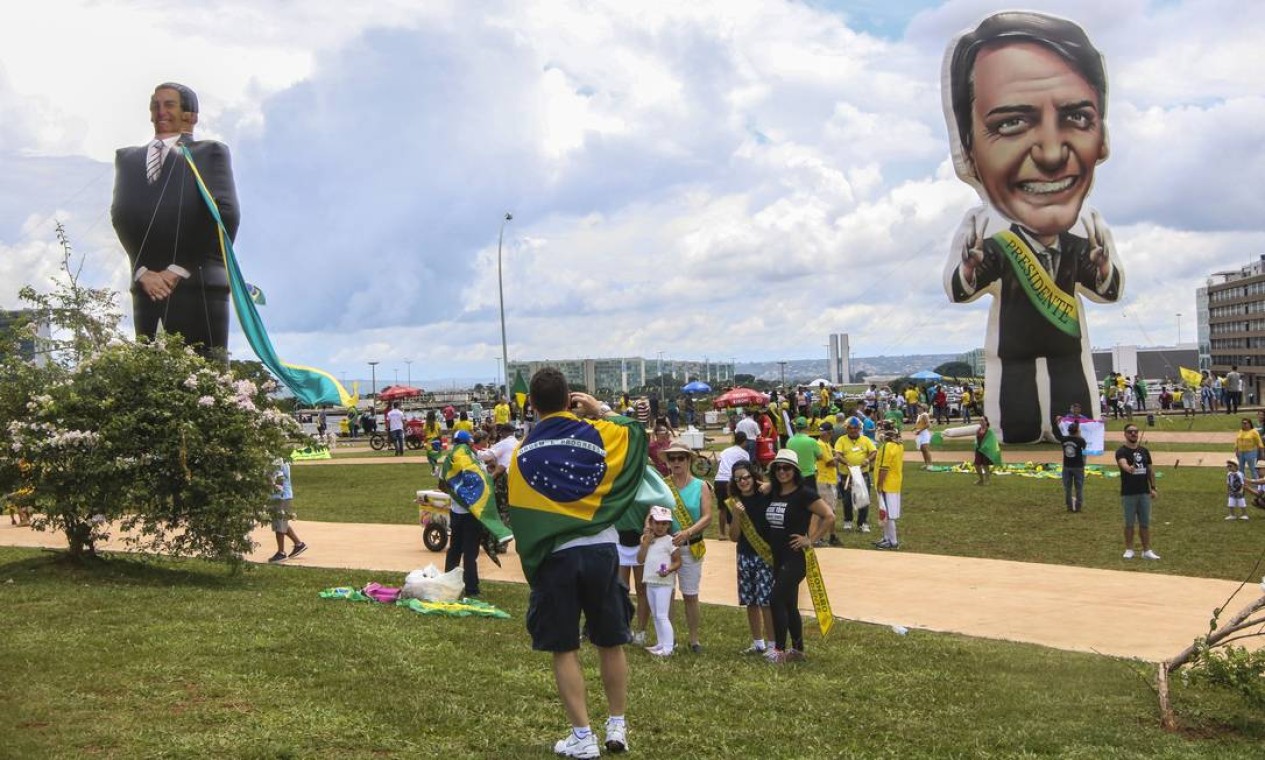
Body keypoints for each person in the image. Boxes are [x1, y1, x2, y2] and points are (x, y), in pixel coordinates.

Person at [943, 12, 1121, 444]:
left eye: (1077, 117)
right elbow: (962, 288)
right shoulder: (986, 228)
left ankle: (1074, 437)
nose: (1051, 154)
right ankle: (1018, 429)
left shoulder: (1087, 227)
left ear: (1102, 139)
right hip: (1013, 344)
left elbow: (1108, 289)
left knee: (1073, 400)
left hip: (1068, 344)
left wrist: (1101, 268)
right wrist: (968, 269)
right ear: (967, 149)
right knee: (1017, 419)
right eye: (1010, 123)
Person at [507, 370, 644, 757]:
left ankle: (582, 737)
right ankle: (617, 724)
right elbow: (636, 433)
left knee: (564, 647)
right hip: (602, 549)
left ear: (531, 405)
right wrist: (599, 411)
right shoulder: (601, 434)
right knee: (611, 640)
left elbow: (524, 515)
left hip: (556, 558)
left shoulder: (522, 452)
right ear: (571, 398)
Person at [111, 82, 239, 358]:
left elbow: (223, 216)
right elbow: (122, 216)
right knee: (149, 373)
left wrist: (176, 270)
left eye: (169, 105)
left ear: (190, 115)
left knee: (205, 372)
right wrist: (143, 272)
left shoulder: (209, 153)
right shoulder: (128, 158)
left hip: (198, 290)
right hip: (146, 291)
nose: (161, 112)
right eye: (155, 105)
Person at [764, 450, 834, 663]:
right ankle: (798, 650)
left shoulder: (804, 494)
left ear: (795, 471)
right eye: (778, 468)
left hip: (796, 558)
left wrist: (810, 539)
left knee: (775, 598)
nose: (782, 472)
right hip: (777, 556)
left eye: (787, 468)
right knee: (789, 604)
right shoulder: (773, 492)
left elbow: (829, 516)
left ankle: (778, 649)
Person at [661, 440, 713, 654]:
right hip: (666, 547)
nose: (676, 462)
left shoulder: (701, 485)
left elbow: (708, 516)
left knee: (690, 594)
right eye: (672, 458)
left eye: (680, 458)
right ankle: (668, 638)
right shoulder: (663, 485)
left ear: (689, 460)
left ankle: (694, 639)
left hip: (691, 547)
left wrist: (688, 532)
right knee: (667, 593)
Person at [725, 461, 775, 655]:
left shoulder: (766, 496)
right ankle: (757, 643)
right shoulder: (734, 503)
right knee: (750, 601)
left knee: (766, 601)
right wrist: (736, 516)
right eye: (738, 479)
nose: (743, 481)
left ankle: (772, 645)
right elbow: (733, 537)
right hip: (744, 555)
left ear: (753, 476)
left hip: (765, 555)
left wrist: (769, 484)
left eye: (746, 477)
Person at [637, 505, 681, 657]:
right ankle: (660, 643)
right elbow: (640, 559)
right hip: (650, 581)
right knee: (655, 614)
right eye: (657, 523)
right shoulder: (646, 540)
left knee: (662, 615)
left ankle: (668, 647)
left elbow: (677, 561)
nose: (660, 527)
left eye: (664, 524)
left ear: (669, 525)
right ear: (651, 523)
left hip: (664, 583)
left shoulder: (671, 541)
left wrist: (668, 569)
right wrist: (645, 543)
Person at [1116, 423, 1159, 560]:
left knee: (1144, 523)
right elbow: (1122, 463)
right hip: (1128, 492)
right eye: (1130, 432)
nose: (1133, 434)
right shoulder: (1121, 451)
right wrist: (1128, 468)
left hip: (1144, 492)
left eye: (1135, 431)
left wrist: (1153, 488)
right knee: (1129, 523)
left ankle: (1147, 550)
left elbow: (1150, 471)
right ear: (1125, 434)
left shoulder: (1144, 451)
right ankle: (1129, 549)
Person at [835, 417, 876, 533]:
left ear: (860, 429)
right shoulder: (841, 440)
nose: (853, 430)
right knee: (847, 499)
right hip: (846, 475)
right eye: (850, 428)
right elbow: (837, 454)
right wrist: (846, 462)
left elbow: (874, 452)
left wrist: (867, 460)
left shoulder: (865, 440)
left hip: (862, 474)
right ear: (846, 429)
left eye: (856, 428)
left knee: (863, 498)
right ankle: (848, 521)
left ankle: (862, 523)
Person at [266, 459, 307, 563]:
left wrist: (270, 487)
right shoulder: (279, 458)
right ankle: (298, 544)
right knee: (282, 522)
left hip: (280, 496)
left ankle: (281, 553)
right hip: (282, 495)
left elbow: (279, 479)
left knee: (279, 523)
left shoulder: (276, 459)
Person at [713, 431, 751, 540]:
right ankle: (736, 532)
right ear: (744, 442)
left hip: (719, 480)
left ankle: (722, 533)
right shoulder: (744, 454)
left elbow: (719, 464)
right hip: (732, 481)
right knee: (736, 507)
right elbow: (745, 470)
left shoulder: (725, 451)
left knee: (722, 508)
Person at [874, 422, 904, 549]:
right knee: (885, 513)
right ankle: (886, 538)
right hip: (894, 482)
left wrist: (880, 484)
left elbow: (884, 468)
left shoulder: (887, 447)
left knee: (888, 514)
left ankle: (893, 541)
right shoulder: (899, 445)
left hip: (887, 484)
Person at [1053, 416, 1087, 512]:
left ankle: (1069, 506)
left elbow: (1060, 431)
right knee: (1079, 488)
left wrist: (1058, 422)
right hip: (1078, 466)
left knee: (1067, 488)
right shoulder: (1081, 440)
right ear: (1077, 431)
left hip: (1067, 465)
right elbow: (1084, 450)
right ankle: (1078, 506)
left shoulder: (1063, 440)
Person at [974, 416, 1001, 485]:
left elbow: (992, 441)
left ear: (986, 422)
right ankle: (981, 479)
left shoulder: (989, 431)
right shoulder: (978, 430)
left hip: (986, 450)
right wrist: (976, 446)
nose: (981, 422)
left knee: (985, 465)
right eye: (980, 420)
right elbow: (976, 440)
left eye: (982, 420)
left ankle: (987, 480)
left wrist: (985, 446)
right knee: (977, 465)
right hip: (979, 450)